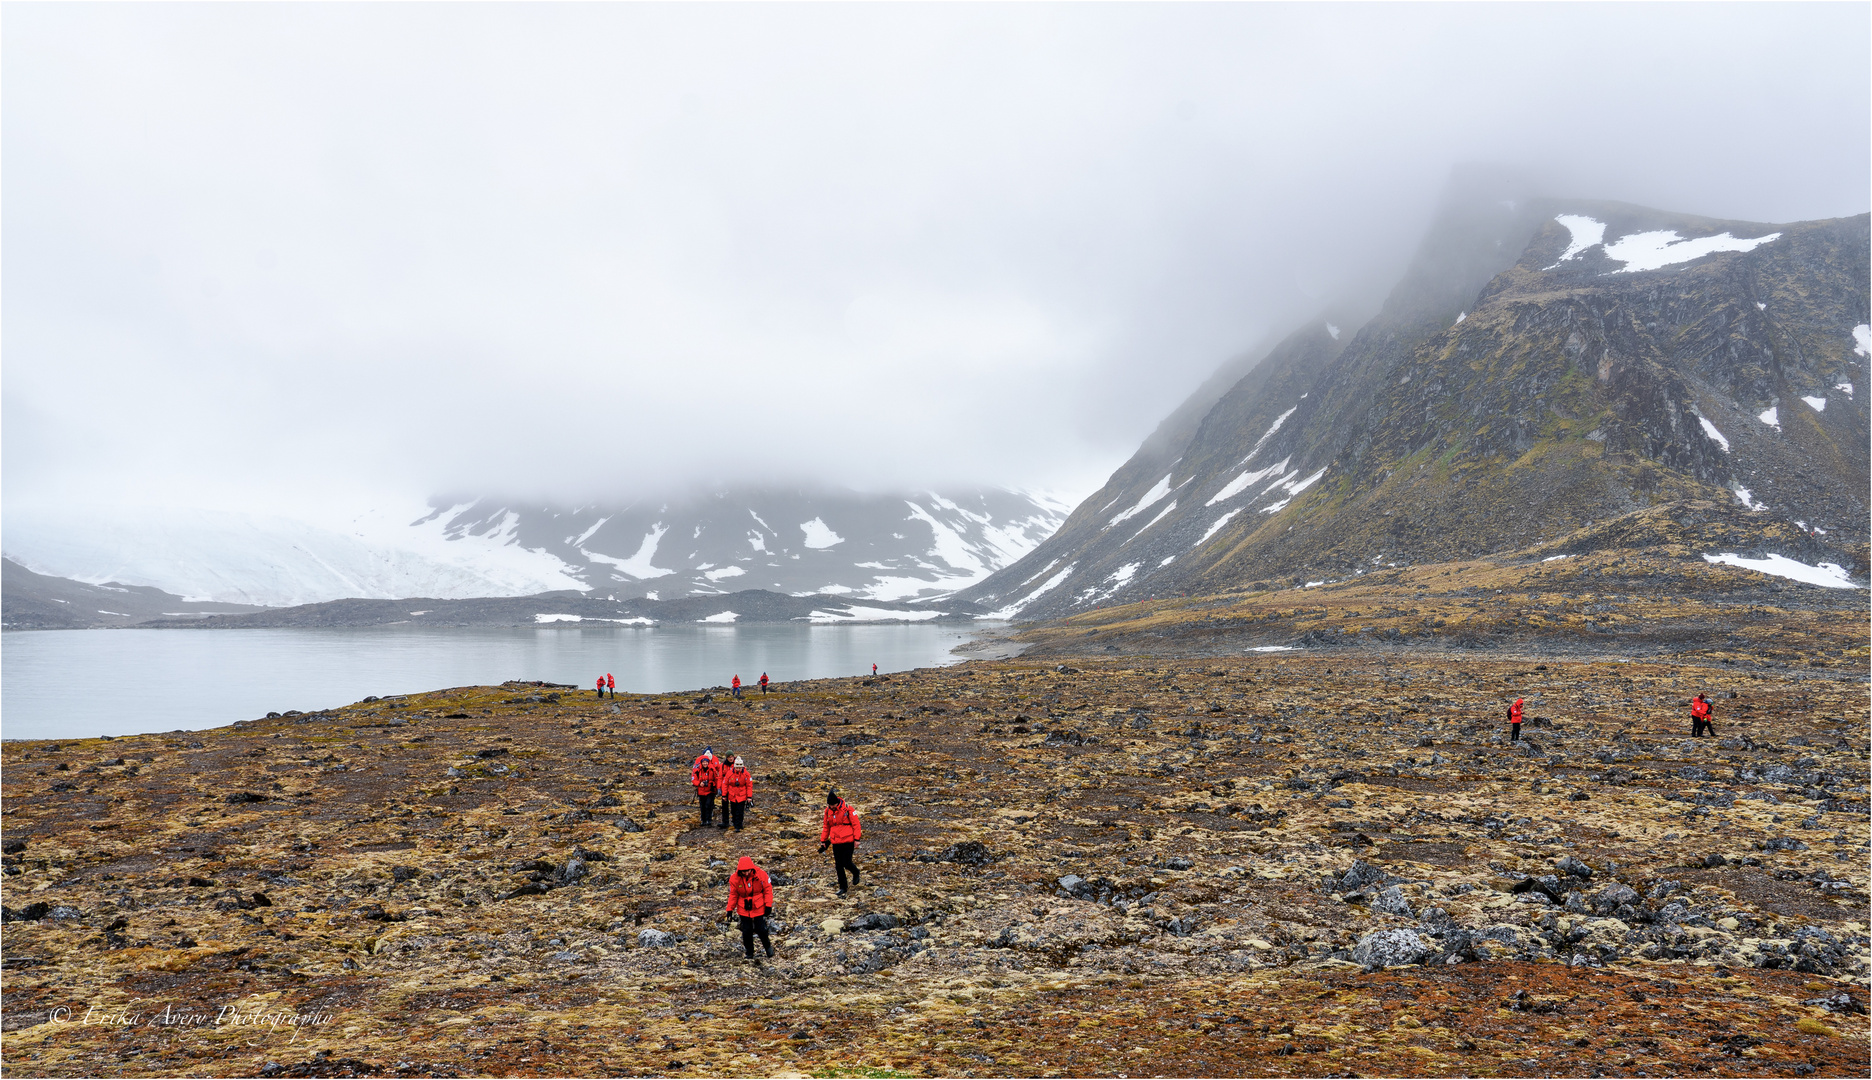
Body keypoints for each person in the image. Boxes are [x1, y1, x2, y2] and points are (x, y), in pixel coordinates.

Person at [724, 856, 775, 959]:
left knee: (761, 929)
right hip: (743, 907)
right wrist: (730, 909)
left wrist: (768, 905)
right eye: (744, 871)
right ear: (740, 870)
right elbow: (733, 895)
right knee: (746, 931)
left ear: (751, 868)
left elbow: (768, 890)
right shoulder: (734, 879)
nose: (746, 873)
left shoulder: (761, 875)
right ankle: (749, 953)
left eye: (748, 871)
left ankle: (768, 949)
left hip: (758, 906)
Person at [819, 791, 863, 896]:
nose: (832, 807)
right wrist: (823, 841)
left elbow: (856, 824)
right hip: (836, 841)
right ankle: (843, 887)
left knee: (847, 862)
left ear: (837, 802)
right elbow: (826, 826)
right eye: (830, 805)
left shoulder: (848, 809)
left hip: (848, 841)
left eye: (833, 805)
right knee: (838, 865)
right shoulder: (827, 811)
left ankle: (855, 872)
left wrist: (857, 839)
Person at [722, 756, 753, 832]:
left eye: (740, 768)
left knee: (740, 811)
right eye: (737, 768)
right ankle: (735, 823)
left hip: (742, 795)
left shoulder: (746, 774)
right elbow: (725, 784)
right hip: (732, 795)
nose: (738, 769)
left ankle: (738, 825)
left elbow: (749, 785)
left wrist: (749, 796)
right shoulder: (729, 773)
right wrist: (724, 795)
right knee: (733, 810)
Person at [691, 749, 722, 825]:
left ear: (708, 762)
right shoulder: (698, 771)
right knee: (702, 806)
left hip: (710, 790)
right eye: (704, 762)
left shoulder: (712, 770)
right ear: (701, 762)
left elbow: (717, 778)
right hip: (701, 791)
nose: (705, 763)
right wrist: (699, 783)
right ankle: (703, 820)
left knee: (709, 805)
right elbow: (694, 779)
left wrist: (717, 787)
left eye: (706, 762)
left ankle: (709, 820)